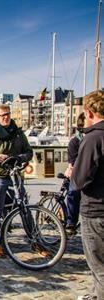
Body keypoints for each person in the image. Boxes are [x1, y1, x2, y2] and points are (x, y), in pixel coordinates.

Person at [0, 103, 36, 258]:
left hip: (15, 175)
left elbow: (29, 152)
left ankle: (34, 239)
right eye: (2, 115)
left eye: (8, 114)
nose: (6, 117)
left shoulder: (18, 133)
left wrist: (19, 158)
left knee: (25, 208)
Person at [71, 90, 104, 300]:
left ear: (89, 112)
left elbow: (80, 180)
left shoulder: (93, 138)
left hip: (96, 209)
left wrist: (72, 173)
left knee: (99, 265)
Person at [63, 113, 86, 235]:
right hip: (77, 175)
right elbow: (72, 163)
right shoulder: (75, 142)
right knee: (73, 193)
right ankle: (71, 222)